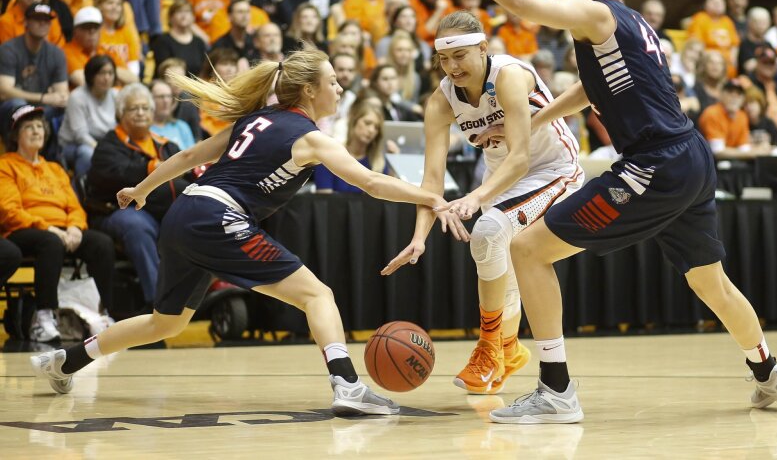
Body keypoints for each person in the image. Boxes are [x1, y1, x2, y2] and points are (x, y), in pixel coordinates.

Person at [440, 0, 777, 423]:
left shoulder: (595, 12)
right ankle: (769, 373)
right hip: (690, 157)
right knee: (709, 281)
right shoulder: (627, 21)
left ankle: (556, 390)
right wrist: (538, 118)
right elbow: (593, 90)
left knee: (526, 248)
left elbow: (523, 7)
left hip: (654, 163)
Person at [30, 48, 463, 418]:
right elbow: (370, 182)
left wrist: (142, 191)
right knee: (318, 295)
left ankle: (66, 361)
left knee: (167, 323)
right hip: (218, 217)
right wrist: (430, 196)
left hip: (185, 213)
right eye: (333, 81)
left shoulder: (257, 120)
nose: (341, 89)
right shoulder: (310, 137)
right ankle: (347, 385)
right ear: (309, 90)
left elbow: (189, 156)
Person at [384, 9, 583, 396]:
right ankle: (507, 350)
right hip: (504, 182)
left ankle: (492, 347)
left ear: (482, 48)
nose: (451, 67)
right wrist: (419, 236)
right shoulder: (441, 101)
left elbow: (521, 156)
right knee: (493, 249)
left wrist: (475, 199)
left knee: (489, 231)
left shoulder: (509, 75)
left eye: (459, 56)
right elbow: (432, 180)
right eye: (443, 59)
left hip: (553, 169)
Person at [0, 104, 114, 342]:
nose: (36, 131)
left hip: (62, 231)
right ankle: (44, 317)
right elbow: (10, 211)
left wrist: (74, 227)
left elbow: (74, 206)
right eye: (28, 127)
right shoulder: (6, 165)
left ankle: (102, 314)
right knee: (51, 242)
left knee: (101, 243)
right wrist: (49, 228)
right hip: (23, 231)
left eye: (39, 126)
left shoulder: (55, 168)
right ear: (15, 135)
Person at [86, 83, 189, 308]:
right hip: (116, 210)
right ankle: (157, 301)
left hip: (162, 209)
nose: (141, 113)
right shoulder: (108, 144)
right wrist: (151, 167)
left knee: (195, 218)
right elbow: (117, 175)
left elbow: (185, 176)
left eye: (145, 108)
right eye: (134, 109)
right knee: (137, 226)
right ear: (120, 113)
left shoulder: (166, 145)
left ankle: (198, 294)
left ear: (153, 113)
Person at [0, 3, 68, 146]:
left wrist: (56, 99)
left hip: (43, 110)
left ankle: (56, 159)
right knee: (19, 104)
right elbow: (4, 92)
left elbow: (62, 95)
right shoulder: (8, 49)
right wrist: (44, 97)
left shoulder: (56, 53)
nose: (42, 24)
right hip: (10, 110)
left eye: (46, 20)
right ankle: (15, 152)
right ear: (26, 22)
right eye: (37, 19)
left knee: (66, 108)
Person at [58, 55, 117, 177]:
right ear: (91, 75)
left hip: (104, 144)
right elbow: (80, 135)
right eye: (101, 73)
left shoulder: (116, 95)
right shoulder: (77, 97)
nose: (106, 78)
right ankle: (82, 189)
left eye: (110, 73)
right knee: (88, 153)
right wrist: (103, 150)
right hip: (74, 145)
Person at [314, 100, 387, 193]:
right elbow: (323, 200)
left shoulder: (379, 163)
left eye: (376, 127)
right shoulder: (330, 155)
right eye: (367, 123)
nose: (371, 130)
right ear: (354, 121)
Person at [63, 6, 127, 89]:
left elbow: (132, 79)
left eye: (96, 27)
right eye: (87, 27)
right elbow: (83, 81)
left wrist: (104, 72)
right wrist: (114, 76)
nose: (92, 31)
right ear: (75, 31)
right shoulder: (66, 52)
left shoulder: (106, 50)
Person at [150, 0, 208, 78]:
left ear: (193, 17)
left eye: (187, 11)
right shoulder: (162, 41)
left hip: (194, 85)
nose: (184, 15)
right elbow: (164, 71)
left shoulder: (199, 42)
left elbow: (203, 70)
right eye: (179, 11)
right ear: (171, 17)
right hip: (169, 83)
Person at [150, 79, 195, 151]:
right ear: (150, 100)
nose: (166, 101)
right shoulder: (145, 130)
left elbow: (194, 156)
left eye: (168, 96)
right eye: (160, 97)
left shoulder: (181, 126)